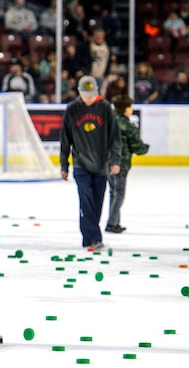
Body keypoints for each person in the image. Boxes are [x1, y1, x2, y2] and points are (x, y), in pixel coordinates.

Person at [60, 75, 121, 249]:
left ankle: (88, 238)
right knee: (85, 199)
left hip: (101, 165)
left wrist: (115, 161)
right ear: (79, 92)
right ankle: (95, 237)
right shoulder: (72, 109)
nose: (89, 98)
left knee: (96, 204)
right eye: (85, 94)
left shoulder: (105, 108)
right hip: (81, 165)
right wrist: (64, 165)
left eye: (91, 94)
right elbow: (65, 139)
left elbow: (115, 138)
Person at [105, 95, 149, 233]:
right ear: (126, 109)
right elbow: (137, 147)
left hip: (106, 162)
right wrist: (145, 148)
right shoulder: (128, 126)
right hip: (120, 164)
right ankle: (112, 223)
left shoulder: (108, 122)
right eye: (130, 107)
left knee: (113, 192)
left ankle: (115, 222)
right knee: (119, 193)